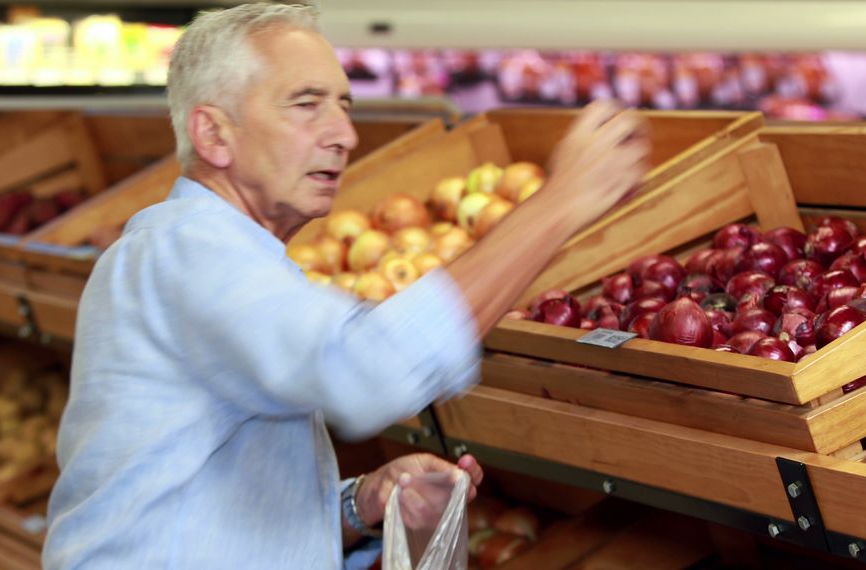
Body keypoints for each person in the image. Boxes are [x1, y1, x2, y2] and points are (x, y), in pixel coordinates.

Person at [43, 3, 649, 569]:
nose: (344, 135)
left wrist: (359, 504)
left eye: (344, 105)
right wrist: (562, 202)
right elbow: (369, 370)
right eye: (306, 104)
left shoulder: (219, 257)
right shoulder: (188, 254)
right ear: (213, 135)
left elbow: (200, 508)